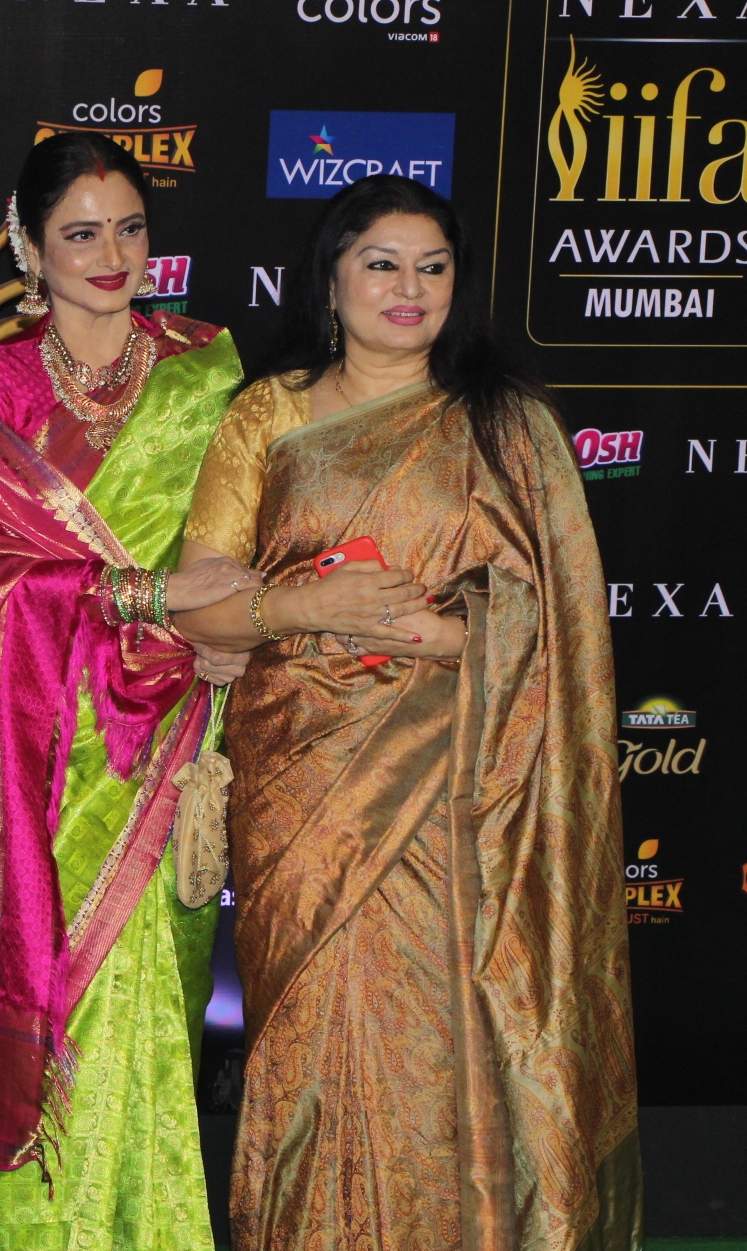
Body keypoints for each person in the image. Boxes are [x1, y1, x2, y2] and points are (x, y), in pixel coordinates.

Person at [172, 173, 642, 1250]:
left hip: (462, 799)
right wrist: (313, 602)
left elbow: (562, 621)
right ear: (332, 278)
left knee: (450, 1040)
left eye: (432, 266)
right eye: (381, 261)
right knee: (316, 1037)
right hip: (308, 790)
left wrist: (440, 635)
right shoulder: (269, 413)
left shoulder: (505, 425)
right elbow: (202, 607)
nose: (409, 286)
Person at [0, 130, 261, 1250]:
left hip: (171, 744)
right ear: (29, 243)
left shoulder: (206, 371)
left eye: (131, 228)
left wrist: (232, 635)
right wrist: (150, 594)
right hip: (43, 759)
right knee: (58, 1006)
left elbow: (249, 546)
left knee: (156, 1011)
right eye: (81, 232)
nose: (111, 254)